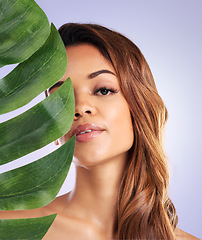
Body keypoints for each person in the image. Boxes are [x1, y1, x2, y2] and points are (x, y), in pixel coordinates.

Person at [0, 23, 199, 240]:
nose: (79, 107)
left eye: (103, 90)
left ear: (139, 107)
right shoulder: (11, 228)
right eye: (61, 96)